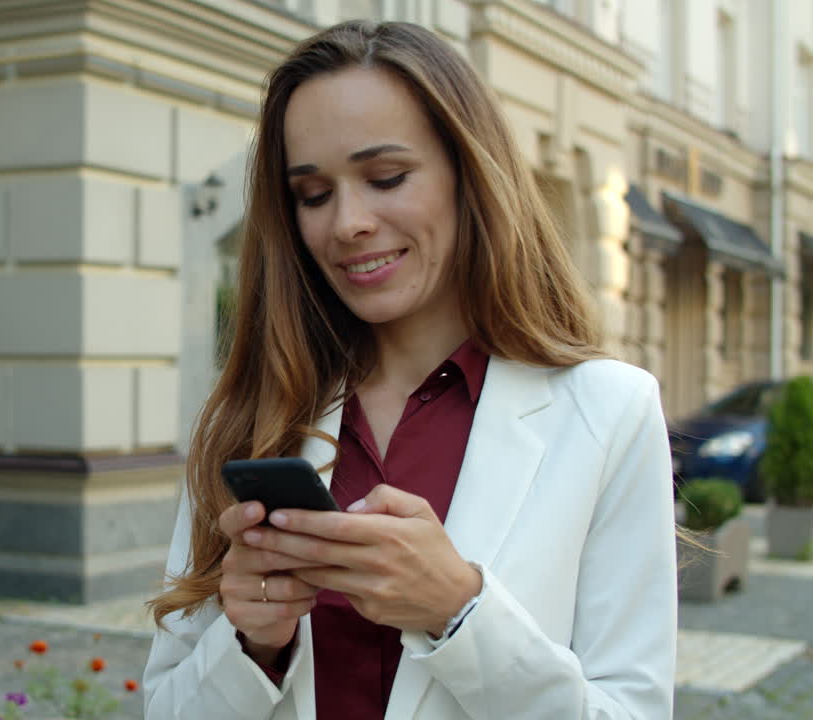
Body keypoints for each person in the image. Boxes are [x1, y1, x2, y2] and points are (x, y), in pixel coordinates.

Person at [143, 20, 676, 720]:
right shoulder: (249, 413)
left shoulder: (610, 412)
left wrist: (459, 611)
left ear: (469, 173)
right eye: (312, 193)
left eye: (385, 177)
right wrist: (251, 646)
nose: (348, 222)